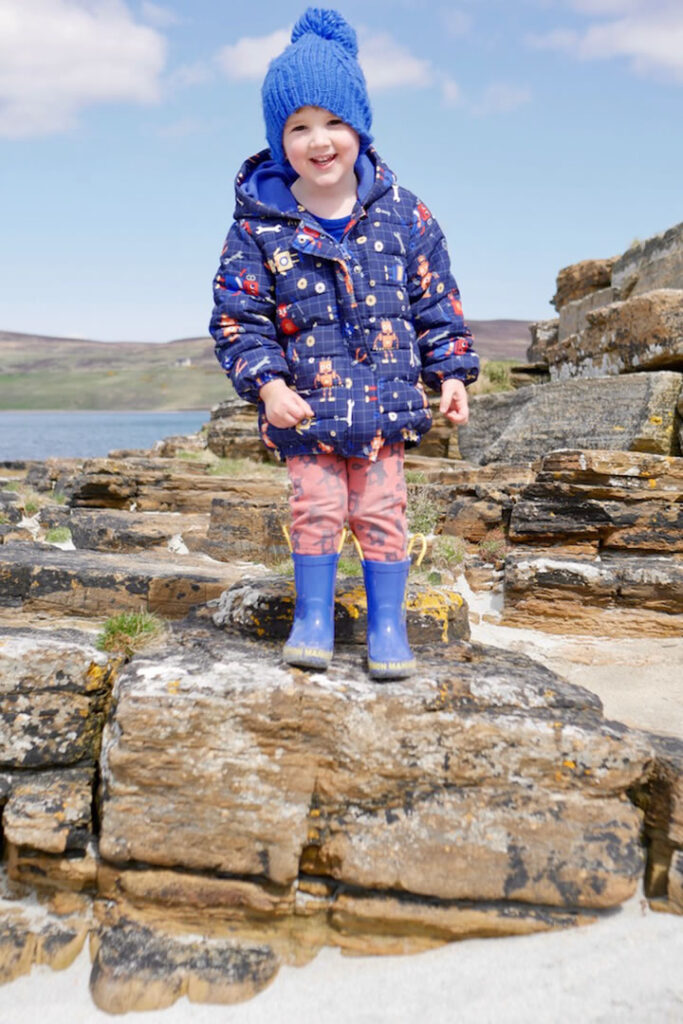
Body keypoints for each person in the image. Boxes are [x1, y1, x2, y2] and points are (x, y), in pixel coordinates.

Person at [209, 7, 479, 680]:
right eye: (297, 127)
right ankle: (312, 618)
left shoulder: (404, 212)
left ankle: (387, 626)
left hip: (386, 407)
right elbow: (239, 316)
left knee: (383, 512)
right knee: (318, 510)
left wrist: (450, 372)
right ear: (279, 140)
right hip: (307, 411)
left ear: (358, 127)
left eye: (332, 121)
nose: (318, 140)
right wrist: (268, 386)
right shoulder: (260, 226)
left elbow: (434, 297)